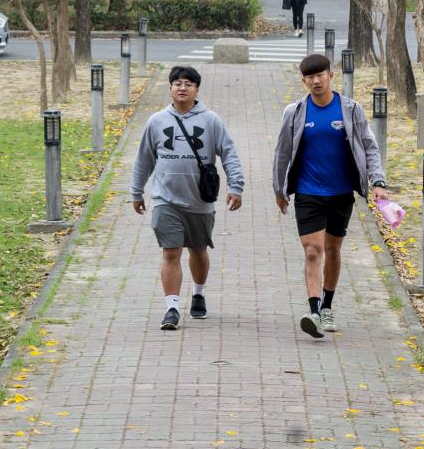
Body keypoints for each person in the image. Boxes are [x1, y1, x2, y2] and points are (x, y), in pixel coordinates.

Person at [272, 52, 388, 339]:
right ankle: (313, 311)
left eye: (320, 75)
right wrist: (279, 189)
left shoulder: (350, 109)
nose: (315, 81)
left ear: (330, 75)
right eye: (309, 77)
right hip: (308, 192)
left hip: (340, 192)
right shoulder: (295, 112)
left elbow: (369, 147)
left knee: (334, 250)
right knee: (313, 251)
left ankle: (327, 306)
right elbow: (282, 152)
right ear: (304, 81)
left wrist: (378, 181)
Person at [131, 63, 245, 330]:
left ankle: (198, 293)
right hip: (165, 199)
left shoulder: (211, 120)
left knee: (198, 250)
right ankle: (171, 307)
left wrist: (236, 186)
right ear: (170, 88)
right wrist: (136, 192)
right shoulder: (157, 121)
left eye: (188, 84)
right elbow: (144, 159)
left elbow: (229, 153)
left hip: (199, 200)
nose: (182, 88)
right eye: (177, 83)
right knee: (171, 251)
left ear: (196, 89)